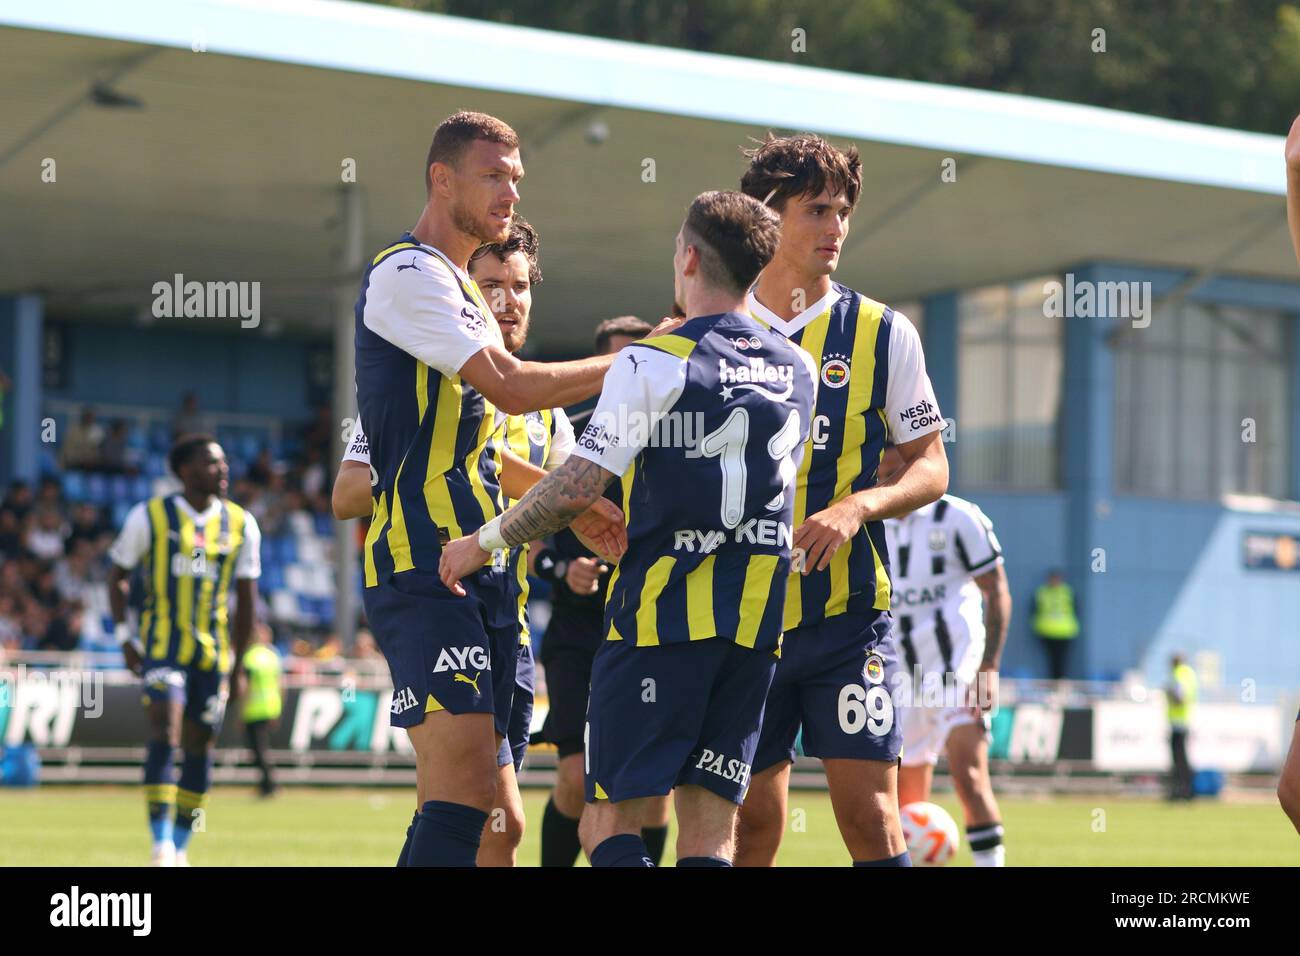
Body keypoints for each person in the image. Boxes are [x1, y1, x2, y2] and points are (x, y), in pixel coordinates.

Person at [441, 190, 817, 867]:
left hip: (659, 622)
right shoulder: (798, 366)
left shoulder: (652, 359)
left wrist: (484, 541)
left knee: (606, 822)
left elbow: (577, 486)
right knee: (708, 832)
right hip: (755, 624)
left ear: (690, 259)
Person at [352, 110, 640, 868]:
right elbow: (511, 391)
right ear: (441, 179)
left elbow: (489, 444)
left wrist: (572, 504)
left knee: (501, 824)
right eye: (493, 175)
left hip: (489, 586)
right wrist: (648, 360)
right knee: (462, 797)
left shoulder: (467, 301)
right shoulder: (407, 274)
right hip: (423, 569)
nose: (510, 190)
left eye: (516, 177)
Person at [732, 133, 948, 868]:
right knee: (751, 819)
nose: (835, 227)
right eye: (816, 209)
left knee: (872, 816)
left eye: (843, 210)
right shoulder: (714, 328)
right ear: (768, 215)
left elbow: (931, 467)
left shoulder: (885, 333)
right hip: (738, 615)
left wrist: (857, 507)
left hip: (848, 618)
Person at [532, 315, 678, 868]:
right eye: (621, 362)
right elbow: (532, 541)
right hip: (578, 635)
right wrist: (558, 571)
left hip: (649, 630)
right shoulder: (571, 437)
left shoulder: (673, 439)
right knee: (575, 776)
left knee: (653, 791)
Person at [107, 434, 262, 866]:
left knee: (199, 747)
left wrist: (240, 662)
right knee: (164, 730)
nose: (224, 469)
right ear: (185, 470)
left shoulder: (242, 524)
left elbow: (246, 600)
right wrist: (124, 636)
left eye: (224, 461)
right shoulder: (150, 517)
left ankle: (179, 846)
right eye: (213, 462)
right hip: (161, 651)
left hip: (212, 657)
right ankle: (159, 844)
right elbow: (116, 576)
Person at [882, 446, 1012, 867]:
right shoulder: (871, 521)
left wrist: (989, 668)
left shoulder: (958, 517)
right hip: (904, 679)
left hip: (960, 667)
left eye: (892, 470)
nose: (884, 480)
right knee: (907, 799)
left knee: (969, 777)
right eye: (879, 472)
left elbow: (996, 591)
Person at [240, 623, 282, 798]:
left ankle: (269, 785)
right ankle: (267, 784)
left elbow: (245, 686)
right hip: (271, 706)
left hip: (254, 708)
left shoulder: (249, 657)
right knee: (262, 749)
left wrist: (240, 710)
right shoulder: (273, 656)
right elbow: (280, 684)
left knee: (258, 750)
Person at [1033, 570, 1078, 680]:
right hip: (1046, 631)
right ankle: (1052, 681)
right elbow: (1034, 610)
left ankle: (1061, 680)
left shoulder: (1067, 592)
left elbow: (1076, 609)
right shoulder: (1042, 592)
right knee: (1051, 659)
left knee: (1062, 659)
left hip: (1065, 632)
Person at [1166, 653, 1197, 802]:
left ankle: (1181, 792)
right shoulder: (1189, 674)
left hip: (1178, 723)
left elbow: (1180, 698)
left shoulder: (1179, 674)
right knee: (1183, 759)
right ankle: (1186, 791)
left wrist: (1168, 692)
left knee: (1179, 760)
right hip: (1183, 721)